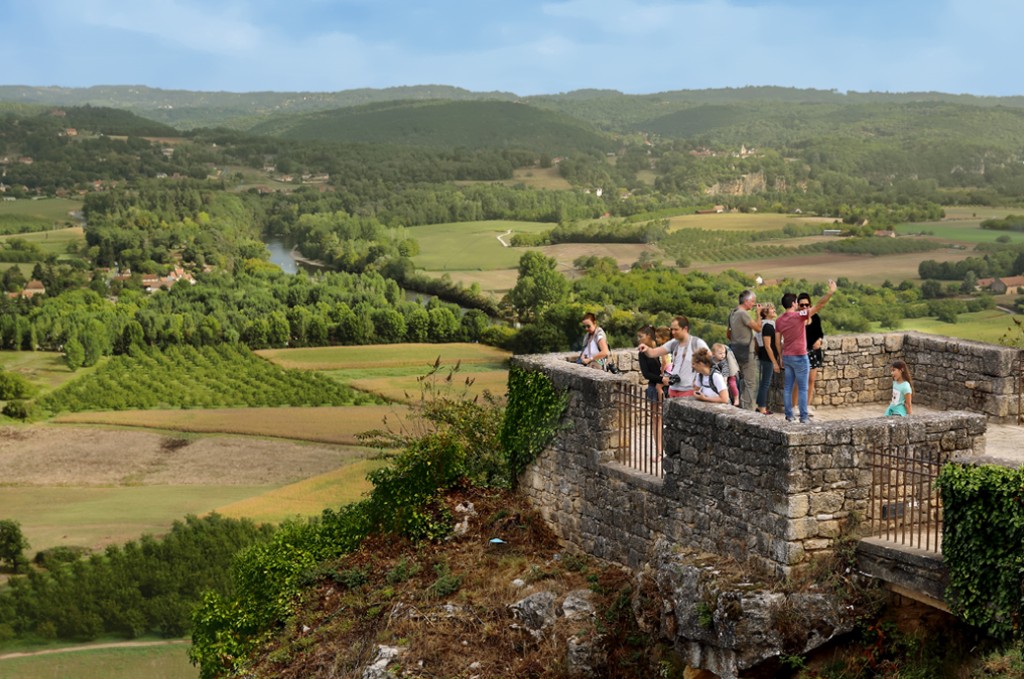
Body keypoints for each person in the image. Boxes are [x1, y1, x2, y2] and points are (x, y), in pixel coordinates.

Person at [776, 280, 838, 423]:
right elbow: (820, 305)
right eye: (797, 302)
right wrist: (830, 292)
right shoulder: (800, 316)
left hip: (787, 356)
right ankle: (804, 417)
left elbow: (777, 341)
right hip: (800, 355)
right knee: (803, 387)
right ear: (793, 304)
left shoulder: (779, 321)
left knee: (788, 387)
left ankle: (789, 415)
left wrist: (780, 357)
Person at [638, 315, 708, 398]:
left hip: (688, 390)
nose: (673, 332)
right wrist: (647, 349)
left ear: (685, 329)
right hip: (673, 389)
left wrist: (700, 380)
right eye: (672, 329)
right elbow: (654, 352)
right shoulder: (673, 343)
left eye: (676, 329)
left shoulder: (697, 343)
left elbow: (709, 362)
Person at [791, 292, 825, 414]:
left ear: (810, 305)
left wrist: (820, 340)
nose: (805, 307)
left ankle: (806, 405)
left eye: (807, 305)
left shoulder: (815, 318)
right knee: (798, 380)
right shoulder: (796, 319)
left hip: (814, 351)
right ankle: (794, 406)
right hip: (801, 352)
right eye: (802, 305)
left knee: (811, 380)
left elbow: (820, 333)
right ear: (798, 306)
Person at [728, 290, 762, 411]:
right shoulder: (743, 314)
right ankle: (748, 410)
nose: (753, 304)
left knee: (741, 382)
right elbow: (758, 328)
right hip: (747, 352)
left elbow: (728, 334)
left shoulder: (732, 313)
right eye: (752, 301)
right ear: (746, 301)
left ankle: (740, 407)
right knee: (750, 383)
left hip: (735, 350)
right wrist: (758, 314)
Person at [636, 325, 664, 454]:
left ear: (648, 336)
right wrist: (661, 380)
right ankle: (659, 451)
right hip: (654, 386)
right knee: (656, 419)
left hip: (668, 387)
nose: (638, 339)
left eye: (641, 336)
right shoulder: (642, 353)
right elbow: (646, 374)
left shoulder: (662, 348)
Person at [755, 304, 780, 415]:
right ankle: (762, 408)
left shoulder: (762, 325)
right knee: (765, 383)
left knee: (764, 382)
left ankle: (760, 405)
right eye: (771, 309)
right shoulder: (768, 326)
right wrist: (775, 362)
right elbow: (767, 345)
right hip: (768, 357)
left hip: (763, 355)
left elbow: (757, 343)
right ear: (765, 313)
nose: (774, 310)